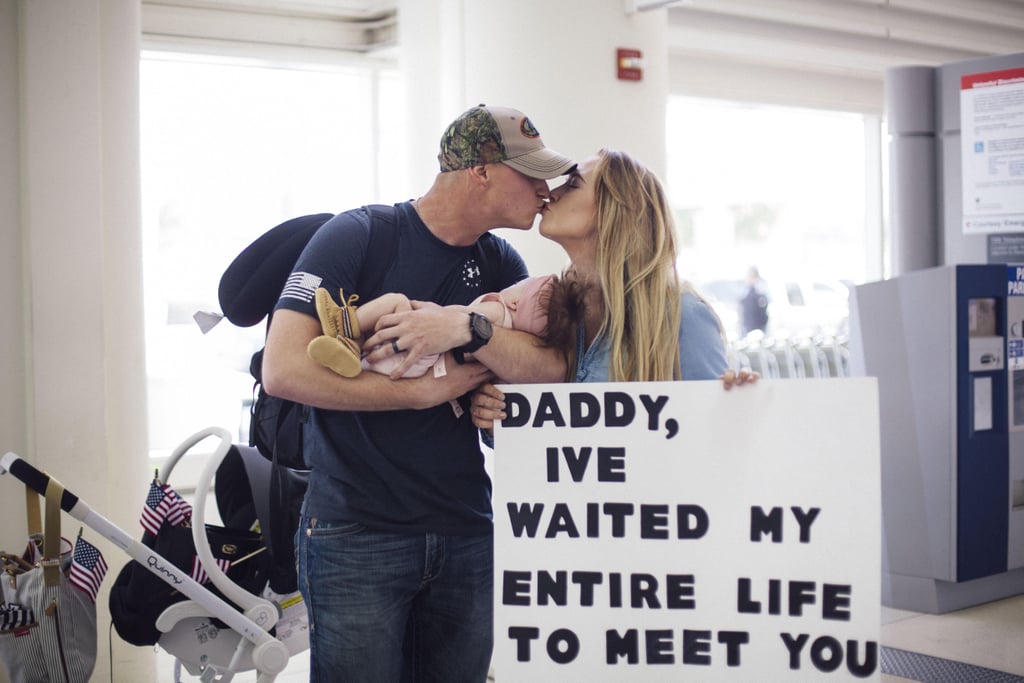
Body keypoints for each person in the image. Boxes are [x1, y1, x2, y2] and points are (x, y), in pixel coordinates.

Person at [260, 104, 575, 683]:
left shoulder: (501, 261)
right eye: (529, 172)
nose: (544, 187)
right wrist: (414, 395)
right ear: (480, 169)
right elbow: (282, 369)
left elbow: (547, 365)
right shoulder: (359, 235)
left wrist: (472, 341)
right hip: (357, 533)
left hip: (466, 528)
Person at [469, 148, 757, 428]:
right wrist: (501, 415)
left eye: (572, 184)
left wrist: (737, 409)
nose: (550, 193)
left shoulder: (681, 315)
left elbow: (715, 437)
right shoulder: (548, 306)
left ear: (615, 209)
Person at [307, 274, 557, 379]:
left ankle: (344, 323)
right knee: (384, 332)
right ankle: (350, 350)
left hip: (423, 352)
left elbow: (457, 321)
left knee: (397, 301)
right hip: (424, 366)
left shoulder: (498, 309)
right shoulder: (514, 336)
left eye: (522, 285)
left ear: (516, 302)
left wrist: (431, 313)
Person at [740, 265, 770, 336]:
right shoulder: (745, 291)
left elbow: (763, 314)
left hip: (757, 328)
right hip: (747, 327)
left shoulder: (759, 291)